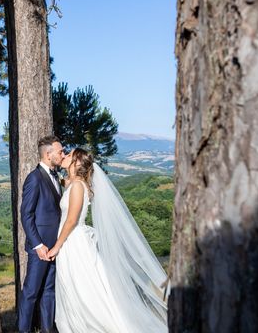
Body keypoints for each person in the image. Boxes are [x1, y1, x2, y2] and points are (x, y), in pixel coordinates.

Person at [48, 148, 168, 333]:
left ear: (77, 163)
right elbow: (63, 183)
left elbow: (71, 220)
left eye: (69, 155)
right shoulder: (73, 183)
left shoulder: (78, 186)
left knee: (83, 287)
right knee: (72, 285)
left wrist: (56, 246)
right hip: (69, 243)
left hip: (73, 243)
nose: (64, 156)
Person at [17, 135, 66, 333]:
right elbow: (26, 214)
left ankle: (47, 329)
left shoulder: (56, 176)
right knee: (30, 292)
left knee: (49, 291)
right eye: (60, 151)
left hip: (55, 247)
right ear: (48, 154)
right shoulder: (34, 178)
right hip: (41, 249)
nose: (62, 154)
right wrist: (38, 245)